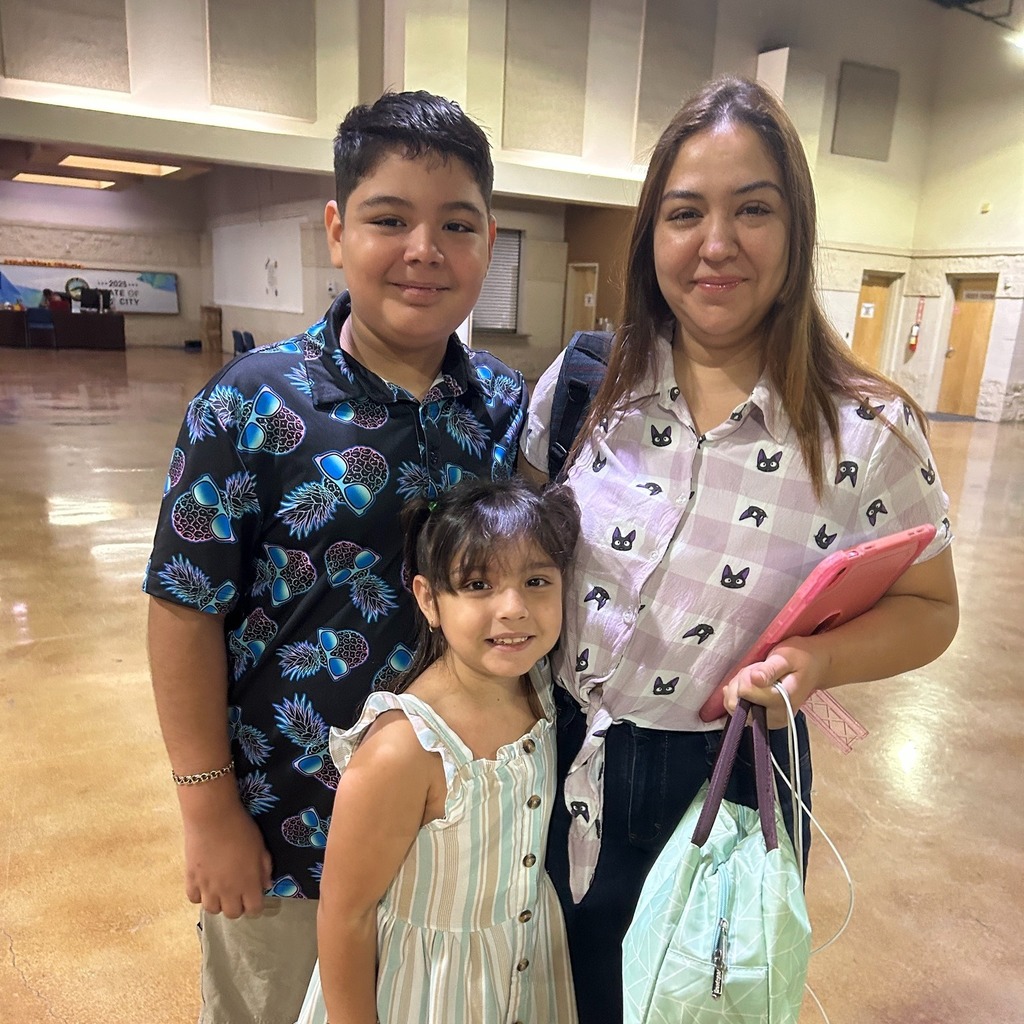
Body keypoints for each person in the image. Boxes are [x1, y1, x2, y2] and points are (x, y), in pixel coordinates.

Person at [518, 75, 959, 1024]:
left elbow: (932, 609)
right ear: (651, 236)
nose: (716, 243)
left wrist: (817, 662)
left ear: (795, 230)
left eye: (752, 209)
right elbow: (519, 555)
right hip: (551, 754)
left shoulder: (868, 432)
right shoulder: (587, 386)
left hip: (728, 780)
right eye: (686, 213)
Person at [144, 90, 528, 1024]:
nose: (424, 249)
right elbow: (183, 609)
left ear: (487, 241)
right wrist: (207, 810)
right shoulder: (250, 405)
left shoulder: (509, 411)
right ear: (336, 230)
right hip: (289, 835)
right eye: (389, 219)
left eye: (457, 225)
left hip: (459, 837)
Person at [296, 478, 581, 1024]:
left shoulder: (543, 690)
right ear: (429, 599)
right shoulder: (404, 748)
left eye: (536, 581)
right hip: (425, 995)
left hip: (527, 976)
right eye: (478, 584)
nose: (514, 608)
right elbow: (345, 914)